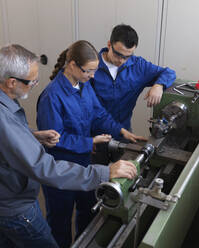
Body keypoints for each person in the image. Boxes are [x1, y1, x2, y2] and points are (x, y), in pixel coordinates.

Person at [0, 44, 137, 248]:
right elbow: (44, 168)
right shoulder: (5, 113)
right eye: (32, 81)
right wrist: (104, 173)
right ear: (11, 82)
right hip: (15, 205)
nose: (35, 84)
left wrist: (32, 136)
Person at [36, 40, 146, 247]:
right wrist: (90, 141)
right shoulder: (51, 97)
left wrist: (122, 131)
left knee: (88, 212)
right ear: (72, 65)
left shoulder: (84, 86)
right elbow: (54, 139)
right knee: (60, 221)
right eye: (89, 71)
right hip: (60, 169)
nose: (93, 76)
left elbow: (98, 114)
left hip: (85, 163)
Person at [90, 24, 176, 164]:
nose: (121, 61)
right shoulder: (91, 67)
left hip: (124, 133)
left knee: (125, 175)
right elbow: (83, 108)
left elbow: (169, 72)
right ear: (109, 44)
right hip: (96, 135)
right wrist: (86, 139)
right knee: (97, 178)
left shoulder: (138, 66)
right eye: (118, 54)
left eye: (127, 56)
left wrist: (159, 85)